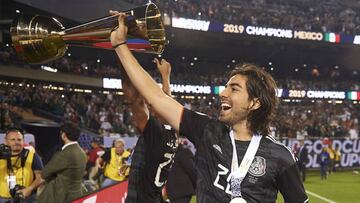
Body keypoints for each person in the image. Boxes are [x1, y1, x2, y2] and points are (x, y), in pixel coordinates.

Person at [109, 11, 308, 203]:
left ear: (254, 103)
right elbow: (157, 98)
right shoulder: (207, 131)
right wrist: (120, 45)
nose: (223, 93)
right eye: (225, 87)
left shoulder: (280, 156)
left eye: (234, 89)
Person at [121, 57, 178, 203]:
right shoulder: (172, 134)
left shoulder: (157, 132)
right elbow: (167, 107)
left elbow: (134, 100)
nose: (151, 104)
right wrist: (166, 77)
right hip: (154, 197)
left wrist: (123, 57)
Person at [38, 122, 87, 203]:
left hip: (61, 196)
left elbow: (44, 173)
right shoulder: (82, 152)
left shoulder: (65, 153)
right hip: (77, 194)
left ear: (64, 135)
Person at [0, 128, 43, 203]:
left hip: (26, 198)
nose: (16, 142)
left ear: (23, 141)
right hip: (3, 198)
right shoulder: (0, 154)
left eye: (19, 139)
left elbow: (41, 177)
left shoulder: (31, 154)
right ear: (6, 141)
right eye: (13, 140)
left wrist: (29, 189)